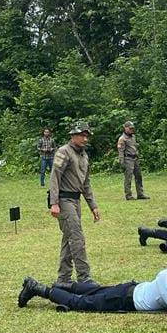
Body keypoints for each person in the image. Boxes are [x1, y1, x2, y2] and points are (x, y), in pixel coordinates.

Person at [18, 250, 167, 315]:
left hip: (132, 288)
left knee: (94, 289)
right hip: (127, 299)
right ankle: (40, 289)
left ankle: (59, 286)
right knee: (81, 303)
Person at [50, 122, 100, 288]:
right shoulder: (64, 152)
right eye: (82, 135)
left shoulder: (84, 156)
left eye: (87, 136)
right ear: (73, 136)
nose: (85, 139)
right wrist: (54, 203)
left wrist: (92, 205)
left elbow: (86, 183)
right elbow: (54, 177)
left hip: (76, 200)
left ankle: (63, 278)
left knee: (69, 238)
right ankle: (84, 277)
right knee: (77, 237)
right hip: (64, 201)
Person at [117, 121, 149, 200]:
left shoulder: (133, 137)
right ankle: (128, 195)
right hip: (127, 159)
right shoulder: (122, 139)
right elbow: (120, 151)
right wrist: (122, 162)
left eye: (132, 128)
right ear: (125, 128)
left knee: (139, 176)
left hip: (135, 159)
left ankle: (140, 194)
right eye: (130, 128)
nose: (132, 130)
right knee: (128, 177)